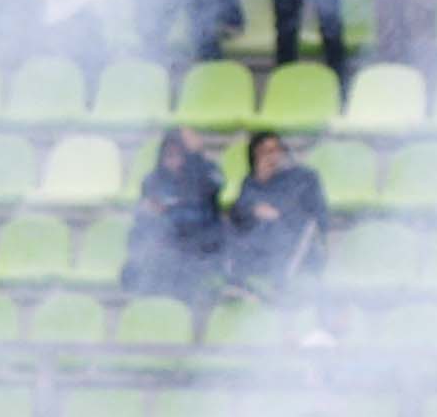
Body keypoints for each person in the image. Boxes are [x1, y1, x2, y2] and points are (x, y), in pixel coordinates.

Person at [119, 127, 227, 313]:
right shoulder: (152, 181)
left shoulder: (207, 174)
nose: (174, 161)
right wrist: (147, 214)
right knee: (137, 267)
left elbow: (210, 196)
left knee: (179, 264)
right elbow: (142, 224)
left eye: (180, 155)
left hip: (198, 249)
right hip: (163, 249)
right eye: (169, 155)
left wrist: (196, 155)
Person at [224, 130, 329, 300]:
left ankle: (280, 287)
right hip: (263, 250)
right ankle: (237, 283)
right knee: (226, 225)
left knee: (287, 226)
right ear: (255, 157)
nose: (272, 157)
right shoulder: (251, 181)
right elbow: (238, 213)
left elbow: (319, 217)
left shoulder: (305, 178)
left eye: (276, 150)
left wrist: (280, 214)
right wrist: (254, 206)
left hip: (298, 246)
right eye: (265, 152)